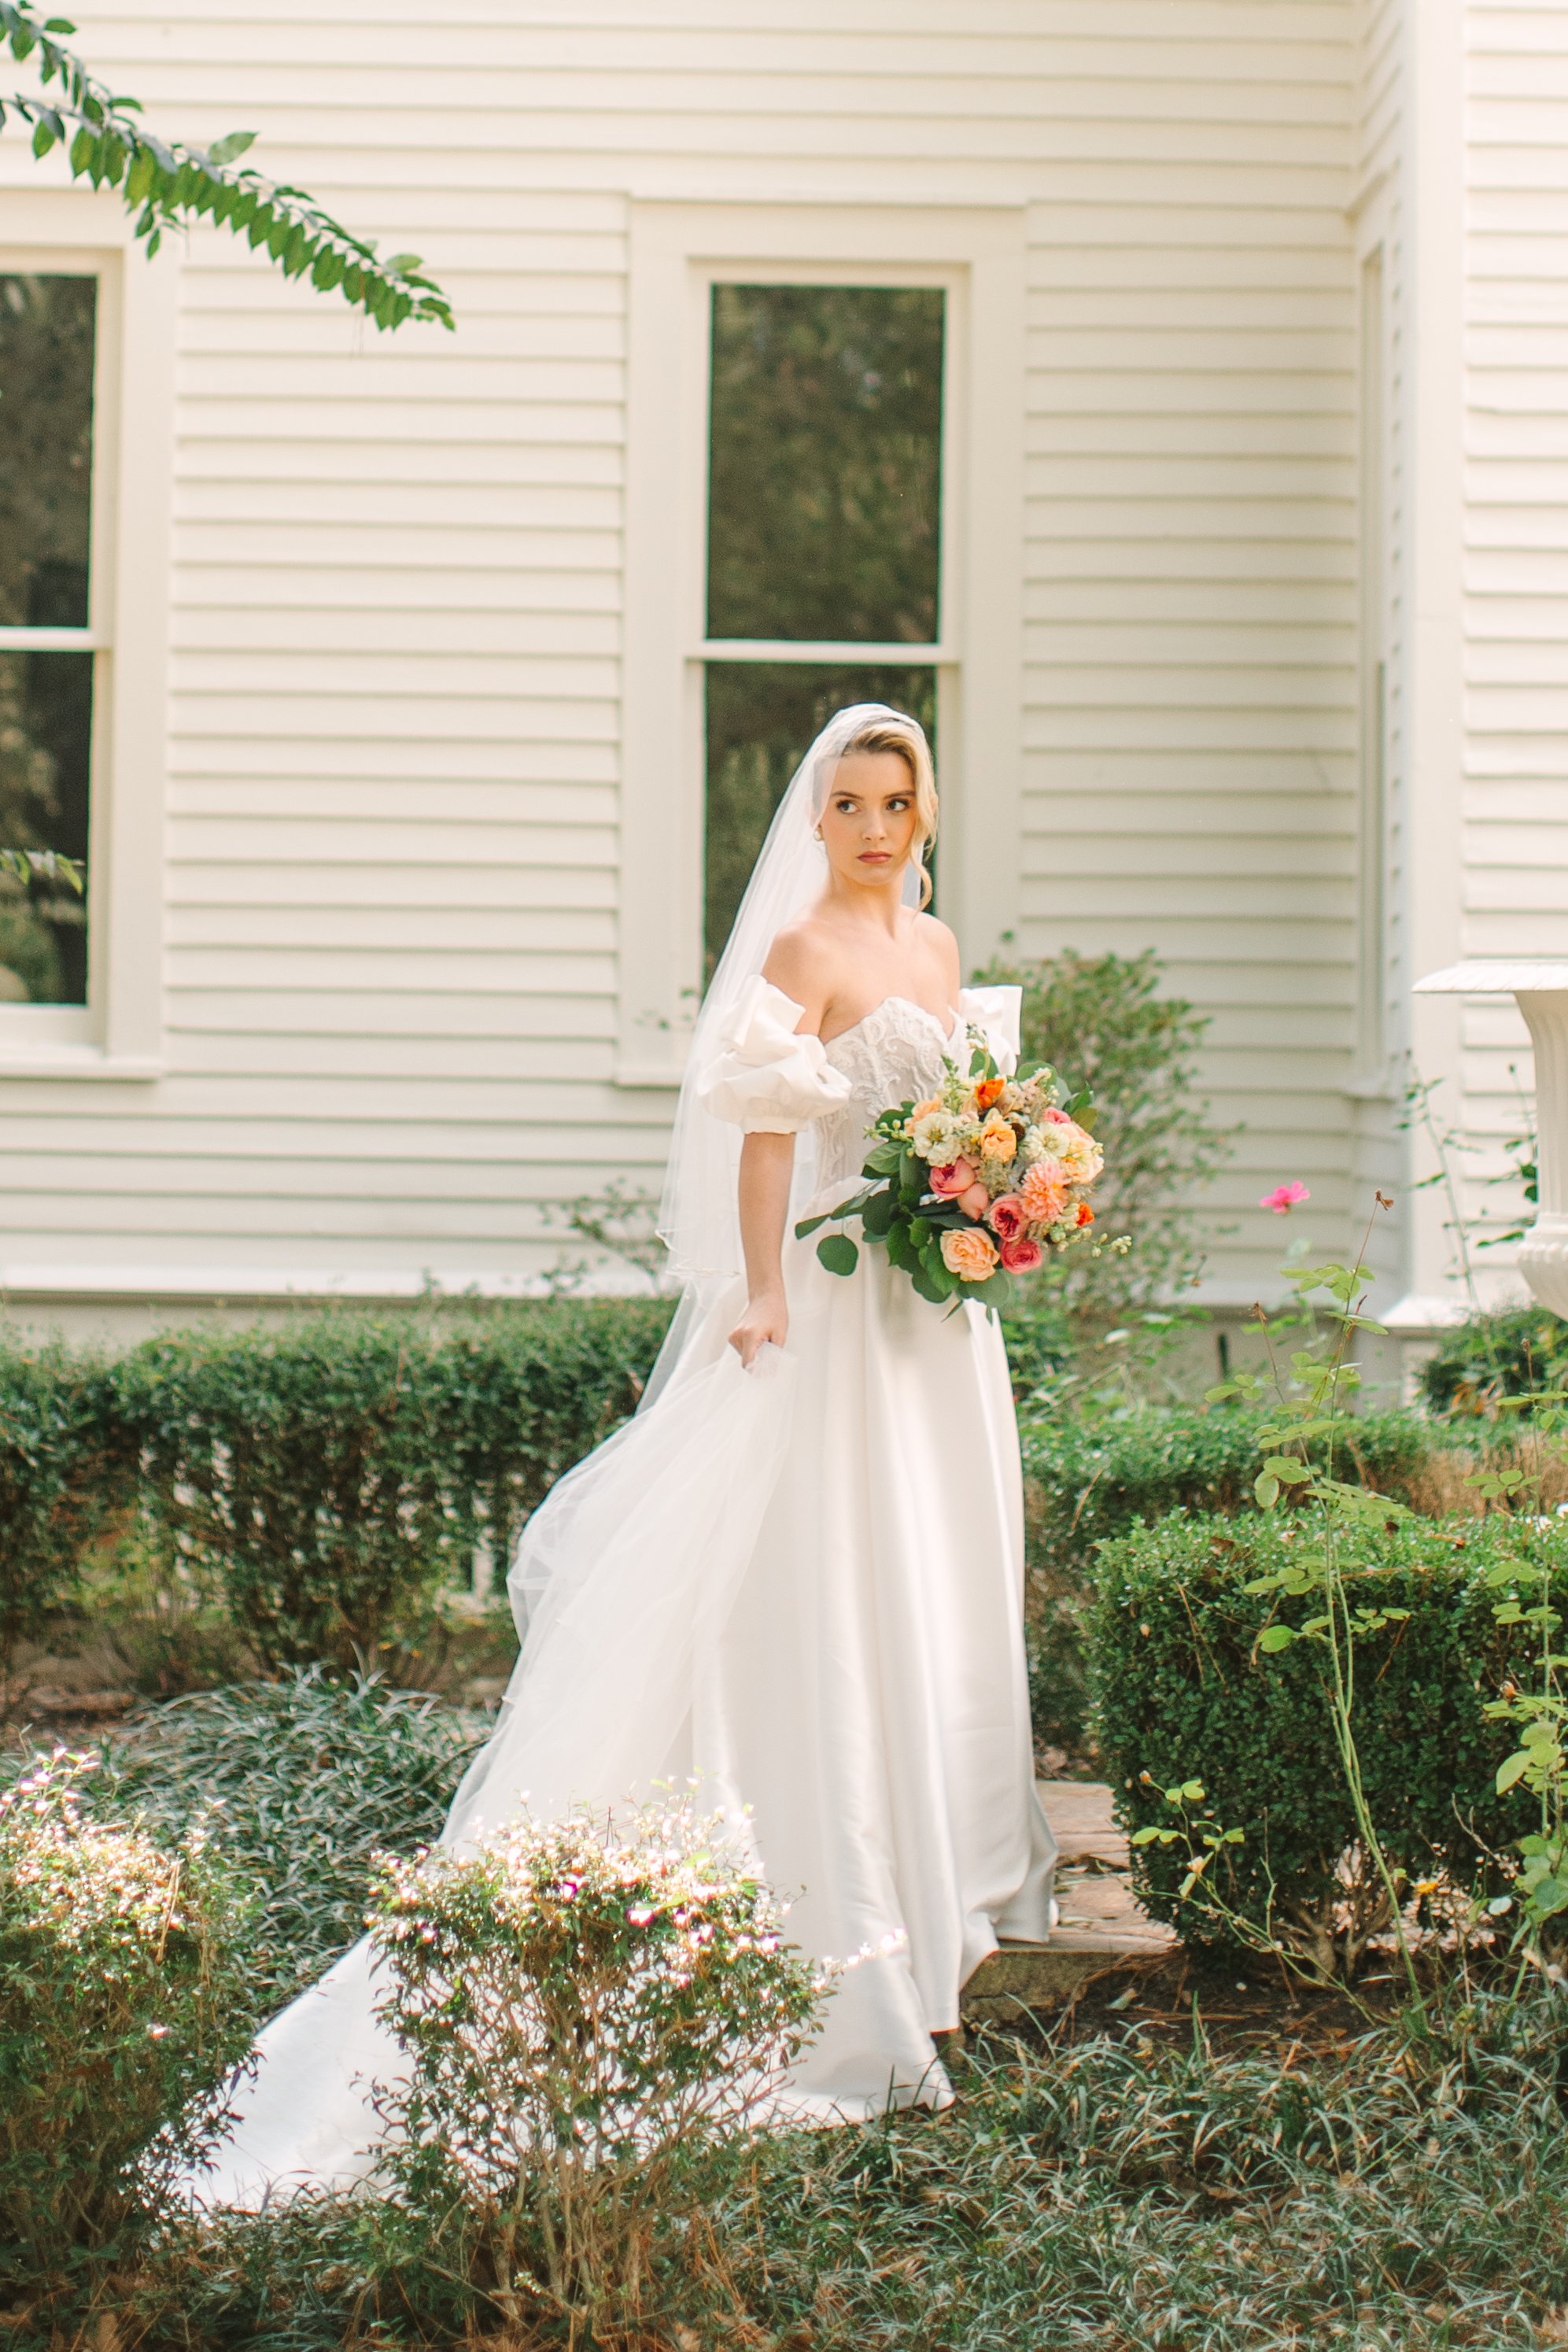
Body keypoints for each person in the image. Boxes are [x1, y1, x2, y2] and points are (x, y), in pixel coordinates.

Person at [193, 703, 1056, 2203]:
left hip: (939, 1321)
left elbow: (971, 1119)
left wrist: (1004, 1200)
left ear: (924, 812)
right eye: (845, 800)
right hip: (839, 1303)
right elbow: (770, 1136)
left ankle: (929, 1904)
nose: (869, 822)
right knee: (825, 1574)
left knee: (931, 1570)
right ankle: (828, 1919)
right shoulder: (801, 957)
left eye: (892, 798)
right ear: (818, 818)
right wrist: (767, 1290)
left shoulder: (935, 944)